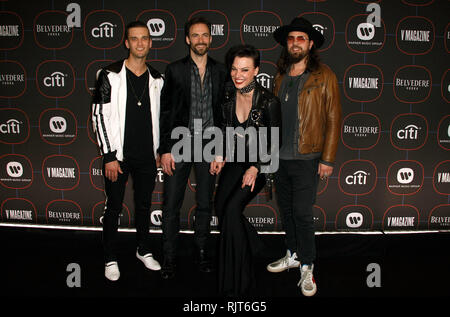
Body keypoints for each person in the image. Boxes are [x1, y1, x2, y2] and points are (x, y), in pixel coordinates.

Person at [266, 17, 342, 297]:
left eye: (301, 38)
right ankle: (293, 254)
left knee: (302, 213)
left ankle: (307, 265)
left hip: (308, 157)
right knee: (286, 212)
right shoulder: (280, 75)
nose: (295, 43)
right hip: (280, 158)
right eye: (291, 38)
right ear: (287, 44)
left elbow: (334, 118)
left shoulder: (324, 75)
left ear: (310, 44)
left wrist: (328, 159)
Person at [91, 21, 164, 281]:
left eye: (145, 38)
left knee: (144, 206)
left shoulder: (157, 79)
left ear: (150, 42)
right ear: (126, 42)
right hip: (118, 157)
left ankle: (143, 250)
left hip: (146, 156)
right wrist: (109, 156)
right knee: (113, 208)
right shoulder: (109, 75)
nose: (140, 43)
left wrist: (159, 149)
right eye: (135, 39)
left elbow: (161, 119)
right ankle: (110, 257)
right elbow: (99, 116)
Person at [158, 17, 228, 279]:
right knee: (171, 205)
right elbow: (166, 113)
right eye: (195, 35)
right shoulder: (175, 70)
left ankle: (201, 252)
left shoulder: (221, 71)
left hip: (210, 143)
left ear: (211, 39)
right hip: (180, 143)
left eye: (205, 35)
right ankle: (169, 256)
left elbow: (224, 113)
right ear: (187, 39)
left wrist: (220, 149)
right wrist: (165, 149)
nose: (200, 39)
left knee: (204, 205)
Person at [213, 44, 282, 297]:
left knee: (232, 210)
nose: (238, 75)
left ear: (256, 71)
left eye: (244, 70)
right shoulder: (228, 95)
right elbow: (223, 129)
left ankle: (239, 280)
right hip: (235, 162)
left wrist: (255, 167)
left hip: (260, 165)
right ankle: (252, 243)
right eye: (234, 69)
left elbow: (275, 144)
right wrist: (219, 154)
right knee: (221, 208)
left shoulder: (268, 102)